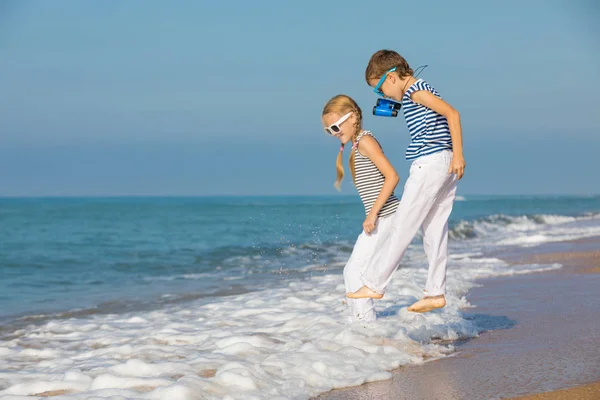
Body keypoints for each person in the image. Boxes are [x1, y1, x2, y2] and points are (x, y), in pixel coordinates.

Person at [347, 49, 466, 313]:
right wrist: (453, 156)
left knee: (403, 224)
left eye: (380, 90)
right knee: (434, 229)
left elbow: (453, 114)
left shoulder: (415, 92)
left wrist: (460, 154)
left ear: (390, 77)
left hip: (430, 163)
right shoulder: (418, 91)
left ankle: (374, 284)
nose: (382, 96)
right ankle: (435, 292)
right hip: (442, 162)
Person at [321, 94, 400, 322]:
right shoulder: (356, 145)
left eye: (336, 126)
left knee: (356, 272)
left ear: (353, 117)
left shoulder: (365, 141)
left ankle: (366, 330)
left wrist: (373, 214)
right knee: (353, 271)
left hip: (387, 216)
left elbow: (392, 177)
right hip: (381, 217)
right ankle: (360, 325)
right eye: (329, 130)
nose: (335, 133)